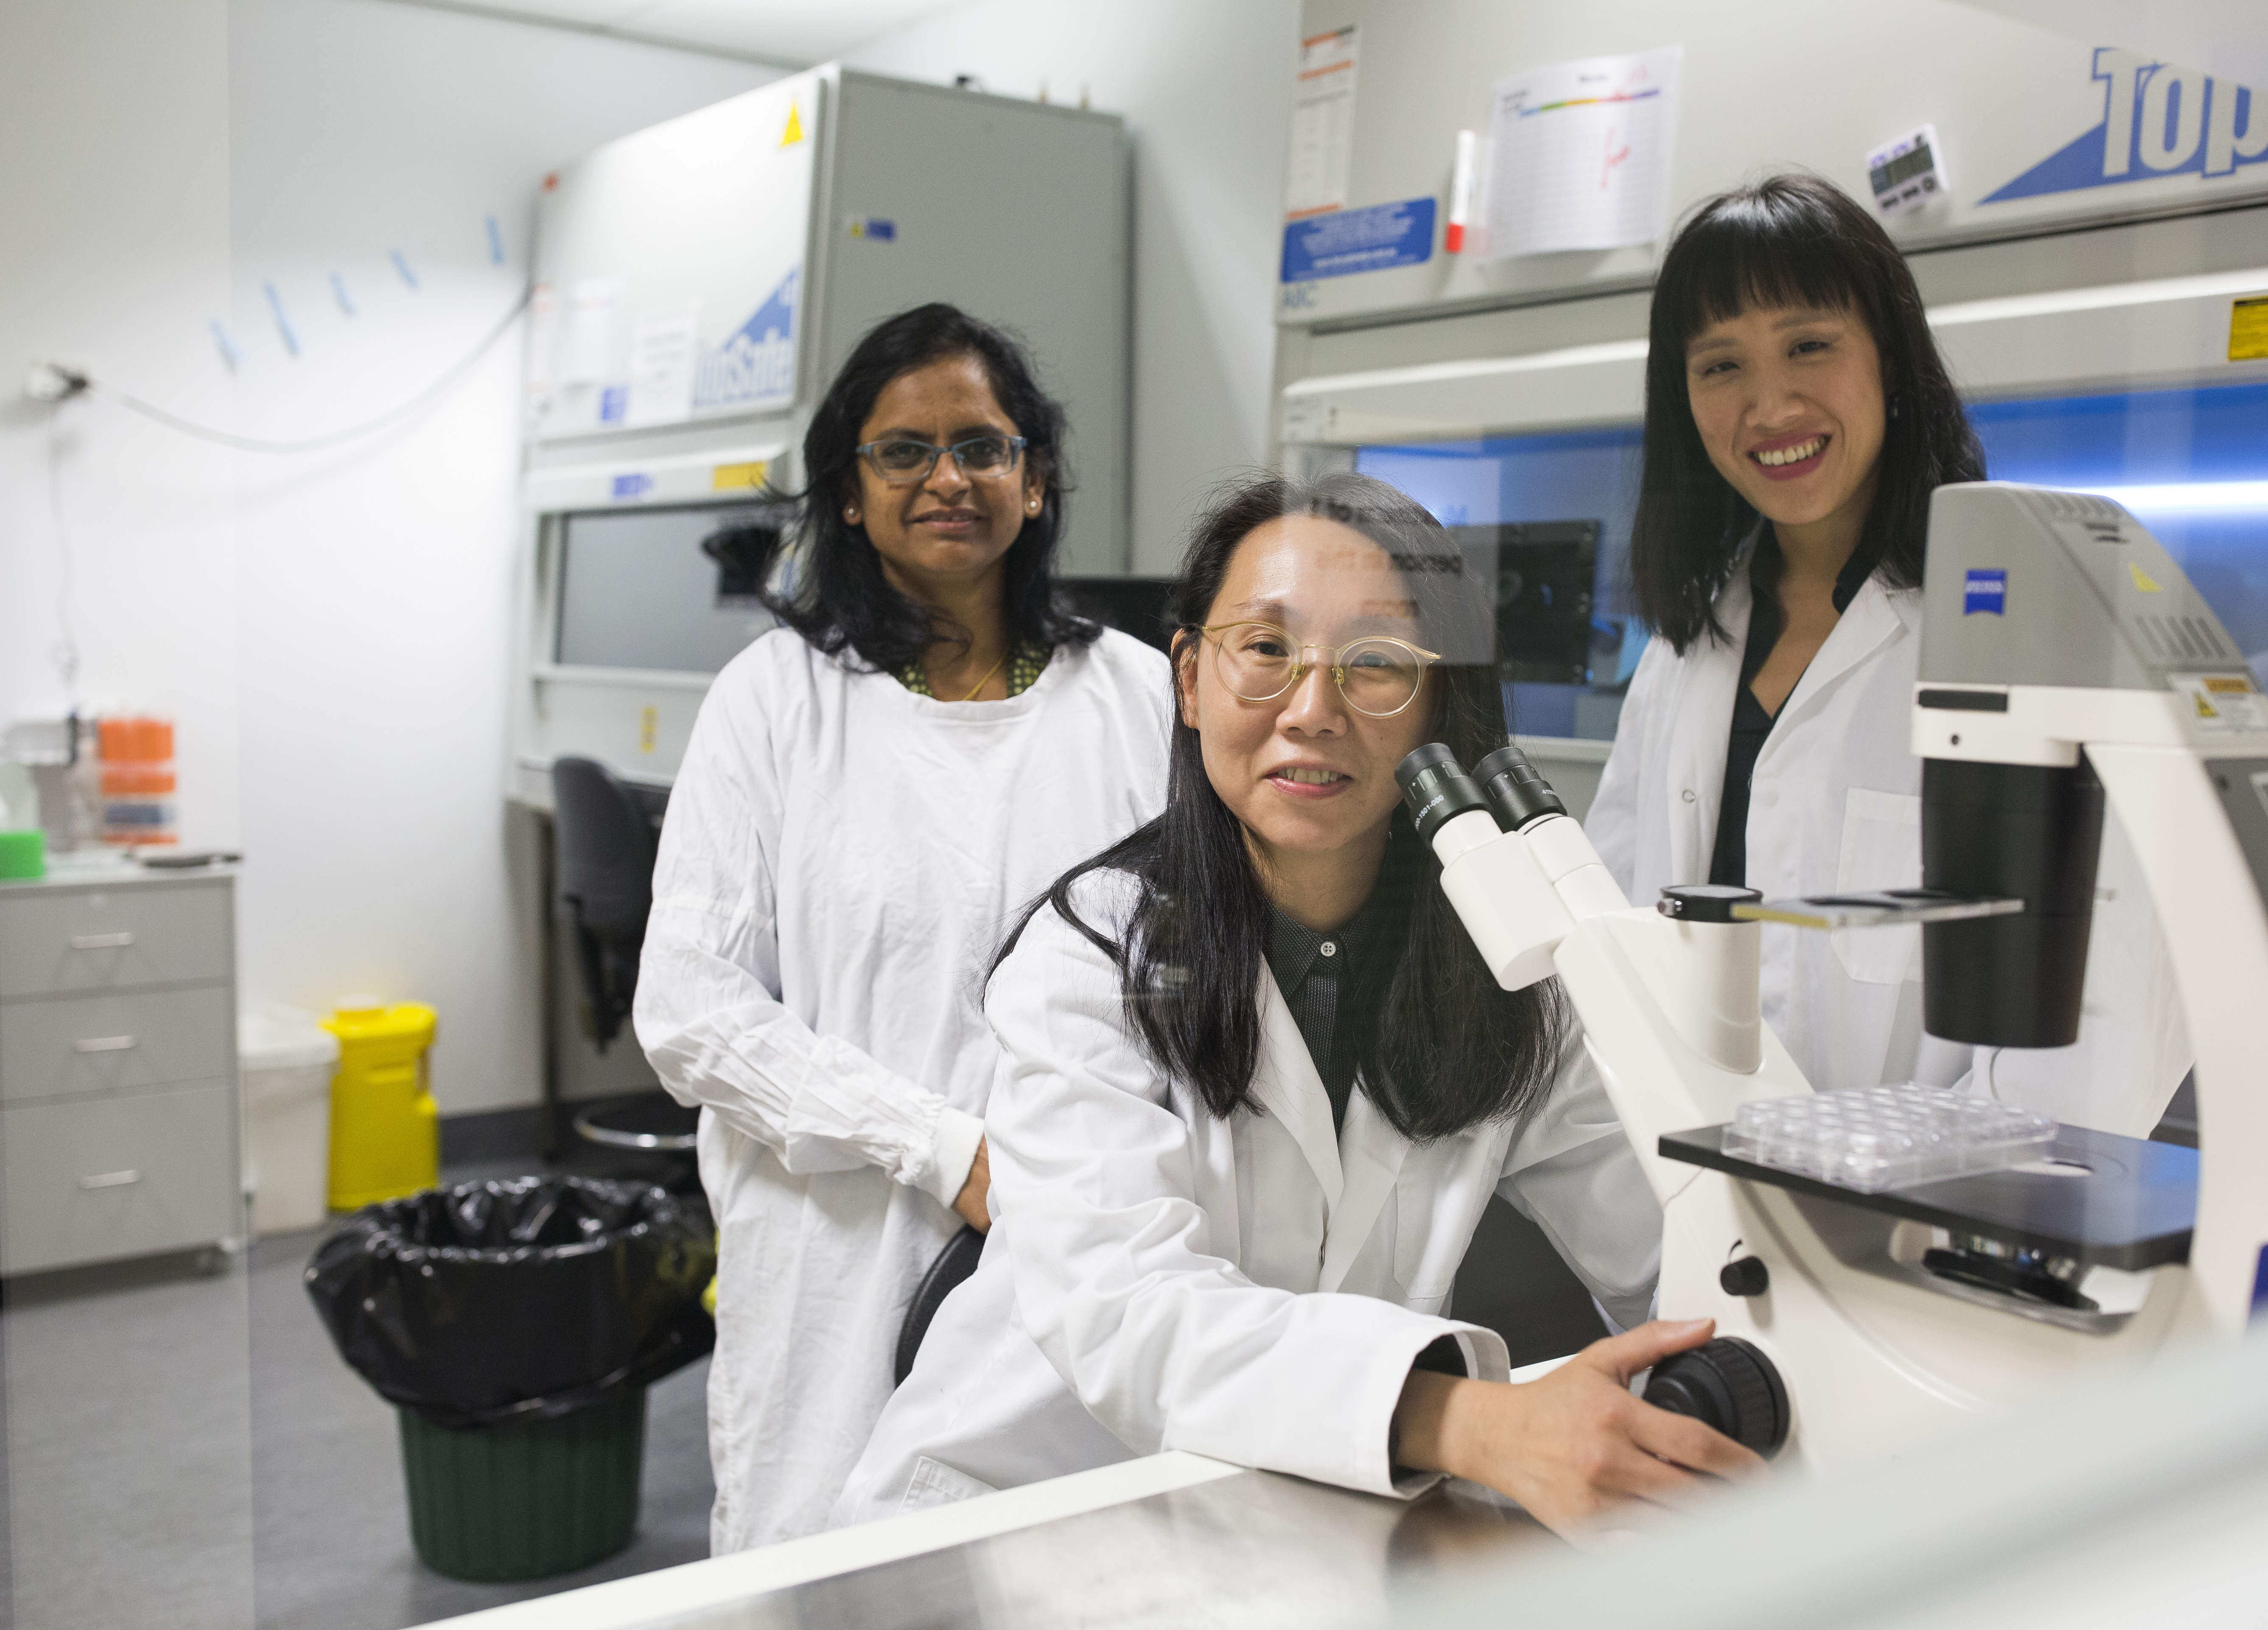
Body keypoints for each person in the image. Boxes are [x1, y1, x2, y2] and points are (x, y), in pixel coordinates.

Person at [833, 472, 1762, 1535]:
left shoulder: (1507, 975)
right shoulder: (1091, 958)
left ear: (1440, 700)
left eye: (1375, 664)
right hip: (1015, 1524)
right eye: (1266, 651)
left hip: (1291, 1525)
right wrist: (1471, 1421)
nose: (1312, 713)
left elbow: (1675, 1242)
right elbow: (1130, 1315)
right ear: (1190, 680)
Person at [632, 303, 1173, 1552]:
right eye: (905, 452)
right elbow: (690, 1009)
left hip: (1085, 1243)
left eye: (984, 447)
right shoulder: (773, 703)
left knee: (1063, 1568)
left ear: (1035, 482)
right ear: (850, 491)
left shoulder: (1139, 697)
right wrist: (945, 1148)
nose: (949, 478)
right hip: (840, 1252)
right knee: (820, 1568)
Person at [1582, 174, 2188, 1133]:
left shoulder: (2038, 629)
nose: (1769, 404)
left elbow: (2108, 1022)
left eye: (1810, 346)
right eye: (1719, 366)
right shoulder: (1683, 651)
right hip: (1693, 1217)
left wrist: (1897, 1236)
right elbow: (1613, 952)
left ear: (1892, 361)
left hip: (1931, 1239)